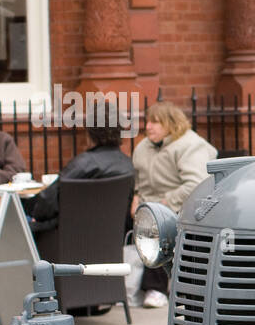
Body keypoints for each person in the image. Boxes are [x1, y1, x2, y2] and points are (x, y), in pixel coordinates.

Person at [132, 101, 217, 308]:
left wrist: (165, 202)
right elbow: (136, 178)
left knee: (157, 229)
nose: (148, 127)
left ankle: (157, 289)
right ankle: (119, 286)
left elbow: (196, 183)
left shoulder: (190, 145)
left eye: (155, 122)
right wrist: (135, 198)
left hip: (181, 205)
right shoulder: (143, 147)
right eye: (147, 121)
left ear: (171, 124)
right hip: (148, 204)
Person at [26, 122, 134, 235]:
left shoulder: (83, 164)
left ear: (90, 133)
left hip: (67, 237)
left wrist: (36, 216)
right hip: (113, 239)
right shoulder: (127, 165)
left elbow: (47, 202)